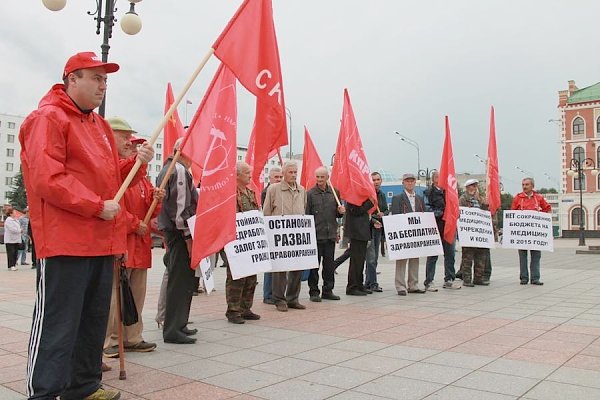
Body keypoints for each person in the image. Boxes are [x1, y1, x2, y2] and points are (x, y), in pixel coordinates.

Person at [20, 51, 153, 400]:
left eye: (105, 79)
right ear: (71, 79)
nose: (103, 85)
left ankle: (84, 386)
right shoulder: (48, 118)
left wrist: (136, 164)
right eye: (95, 77)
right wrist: (96, 207)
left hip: (100, 241)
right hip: (66, 241)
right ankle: (44, 393)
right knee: (57, 324)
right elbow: (47, 179)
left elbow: (110, 181)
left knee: (91, 323)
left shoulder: (99, 126)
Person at [103, 117, 162, 358]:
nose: (131, 144)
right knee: (116, 295)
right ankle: (112, 339)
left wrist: (156, 199)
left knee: (136, 293)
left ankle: (133, 336)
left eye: (133, 139)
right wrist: (134, 223)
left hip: (140, 244)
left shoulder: (140, 175)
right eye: (125, 138)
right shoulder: (113, 169)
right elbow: (114, 206)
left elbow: (149, 210)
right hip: (123, 241)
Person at [157, 138, 198, 344]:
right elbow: (180, 209)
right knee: (179, 281)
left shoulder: (170, 168)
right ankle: (173, 329)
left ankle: (179, 324)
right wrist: (189, 238)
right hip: (179, 234)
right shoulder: (178, 170)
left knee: (182, 281)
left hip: (175, 233)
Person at [263, 161, 307, 311]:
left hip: (297, 235)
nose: (294, 175)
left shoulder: (302, 190)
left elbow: (304, 211)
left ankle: (293, 298)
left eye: (295, 172)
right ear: (284, 173)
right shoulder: (274, 189)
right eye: (291, 172)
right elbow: (266, 212)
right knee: (280, 269)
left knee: (297, 267)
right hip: (279, 235)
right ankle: (279, 299)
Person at [226, 162, 262, 323]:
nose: (249, 175)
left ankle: (245, 307)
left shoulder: (249, 192)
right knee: (236, 277)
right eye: (247, 173)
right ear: (237, 175)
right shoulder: (230, 194)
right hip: (236, 241)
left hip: (250, 242)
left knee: (251, 276)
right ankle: (233, 310)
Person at [305, 166, 345, 301]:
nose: (320, 179)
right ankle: (314, 292)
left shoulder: (335, 193)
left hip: (330, 236)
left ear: (327, 177)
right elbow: (307, 215)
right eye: (318, 177)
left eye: (322, 177)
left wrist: (341, 211)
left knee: (329, 266)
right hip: (316, 236)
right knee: (314, 266)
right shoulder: (310, 194)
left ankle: (328, 290)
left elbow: (337, 216)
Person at [424, 171, 461, 290]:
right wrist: (441, 213)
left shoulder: (449, 192)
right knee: (433, 255)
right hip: (436, 226)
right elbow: (427, 208)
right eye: (438, 177)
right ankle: (429, 281)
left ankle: (449, 279)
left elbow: (455, 205)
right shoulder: (428, 192)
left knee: (450, 254)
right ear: (434, 179)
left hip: (449, 226)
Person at [511, 177, 551, 285]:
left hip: (535, 234)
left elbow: (547, 209)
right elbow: (512, 214)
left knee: (536, 256)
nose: (524, 186)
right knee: (522, 256)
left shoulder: (539, 198)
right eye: (523, 184)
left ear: (532, 186)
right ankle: (524, 278)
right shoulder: (518, 198)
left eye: (527, 184)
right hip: (522, 233)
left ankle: (535, 278)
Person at [391, 173, 426, 296]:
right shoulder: (397, 198)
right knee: (401, 259)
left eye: (412, 181)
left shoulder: (419, 198)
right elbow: (395, 216)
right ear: (403, 183)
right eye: (407, 181)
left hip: (416, 234)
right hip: (403, 233)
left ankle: (413, 284)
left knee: (415, 258)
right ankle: (400, 285)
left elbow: (423, 215)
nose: (410, 183)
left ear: (415, 183)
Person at [459, 179, 489, 287]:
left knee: (481, 257)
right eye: (472, 186)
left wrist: (481, 200)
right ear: (467, 188)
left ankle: (478, 278)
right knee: (467, 257)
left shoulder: (479, 199)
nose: (474, 188)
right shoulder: (463, 199)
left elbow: (486, 209)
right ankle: (467, 279)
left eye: (475, 186)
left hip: (479, 233)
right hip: (468, 233)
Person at [261, 166, 282, 304]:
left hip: (280, 232)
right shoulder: (267, 191)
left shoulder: (280, 190)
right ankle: (268, 294)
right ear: (270, 178)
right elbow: (267, 211)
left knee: (279, 265)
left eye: (281, 177)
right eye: (276, 177)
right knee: (270, 266)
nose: (279, 179)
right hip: (270, 231)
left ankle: (276, 292)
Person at [365, 172, 388, 292]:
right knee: (371, 258)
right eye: (374, 180)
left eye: (378, 179)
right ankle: (373, 283)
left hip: (379, 229)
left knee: (375, 257)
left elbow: (386, 209)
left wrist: (383, 214)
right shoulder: (368, 195)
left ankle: (368, 281)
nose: (376, 182)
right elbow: (366, 213)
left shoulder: (382, 195)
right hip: (369, 229)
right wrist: (374, 219)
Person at [3, 206, 21, 271]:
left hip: (16, 239)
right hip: (10, 240)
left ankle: (14, 264)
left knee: (15, 252)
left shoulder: (16, 220)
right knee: (11, 253)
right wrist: (19, 230)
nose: (15, 213)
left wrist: (20, 230)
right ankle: (11, 265)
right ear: (10, 213)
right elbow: (12, 229)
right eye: (14, 212)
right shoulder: (8, 220)